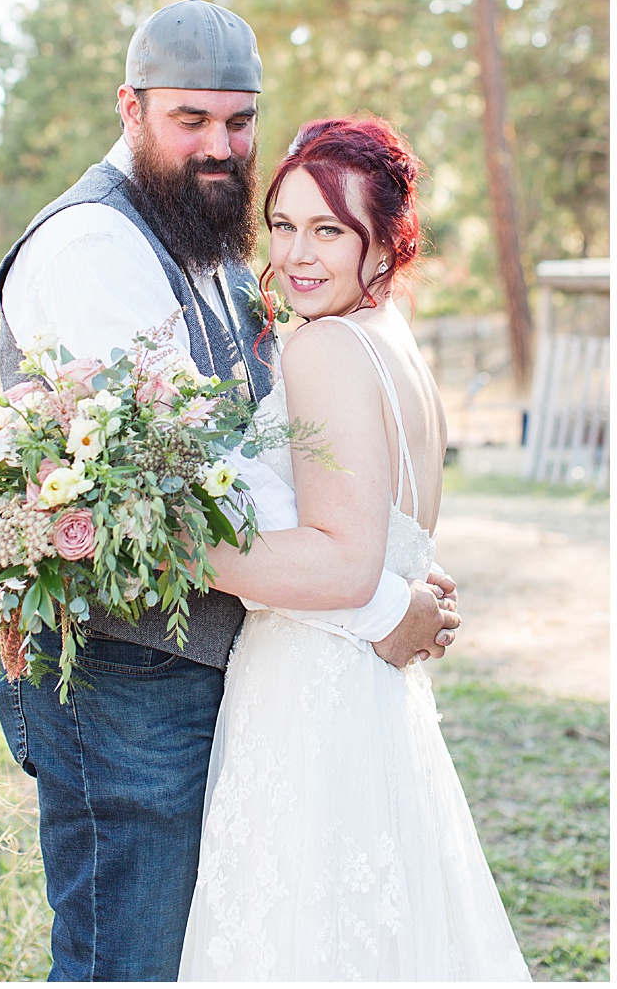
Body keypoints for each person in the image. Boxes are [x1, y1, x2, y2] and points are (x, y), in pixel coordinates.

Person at [0, 0, 460, 980]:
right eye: (190, 119)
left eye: (240, 122)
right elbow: (189, 487)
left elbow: (285, 450)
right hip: (121, 677)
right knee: (132, 958)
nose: (221, 145)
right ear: (131, 107)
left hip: (215, 662)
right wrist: (376, 598)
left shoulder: (209, 235)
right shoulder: (92, 249)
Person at [178, 118, 529, 980]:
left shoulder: (326, 346)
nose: (299, 253)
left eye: (329, 230)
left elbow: (342, 562)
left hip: (309, 692)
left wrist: (171, 549)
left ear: (386, 243)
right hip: (373, 695)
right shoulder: (398, 348)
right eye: (287, 225)